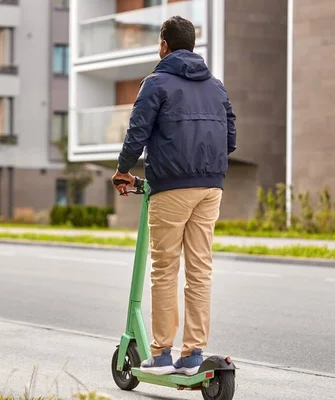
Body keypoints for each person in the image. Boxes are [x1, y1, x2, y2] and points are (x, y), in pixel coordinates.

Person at [111, 16, 237, 376]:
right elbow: (230, 138)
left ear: (164, 45)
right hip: (211, 186)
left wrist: (123, 169)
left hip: (172, 186)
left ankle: (163, 352)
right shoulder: (216, 86)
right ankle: (194, 353)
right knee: (200, 270)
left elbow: (137, 131)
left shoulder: (156, 83)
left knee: (165, 268)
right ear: (193, 46)